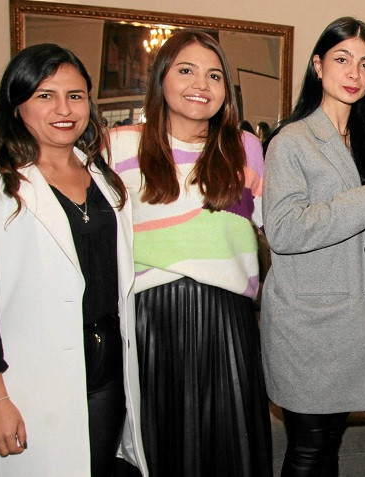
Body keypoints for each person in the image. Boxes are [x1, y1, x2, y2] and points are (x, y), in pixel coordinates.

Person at [0, 43, 147, 476]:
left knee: (98, 465)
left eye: (75, 96)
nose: (64, 109)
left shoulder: (106, 180)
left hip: (107, 366)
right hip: (30, 376)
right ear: (16, 105)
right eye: (45, 95)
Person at [108, 31, 272, 475]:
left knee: (231, 449)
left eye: (214, 75)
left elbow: (275, 227)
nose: (201, 84)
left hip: (229, 318)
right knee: (164, 446)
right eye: (186, 70)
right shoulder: (118, 145)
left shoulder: (245, 147)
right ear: (161, 77)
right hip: (151, 318)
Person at [260, 17, 365, 475]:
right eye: (342, 60)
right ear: (318, 66)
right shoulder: (292, 141)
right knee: (308, 450)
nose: (354, 74)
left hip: (355, 321)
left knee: (329, 448)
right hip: (309, 327)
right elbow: (284, 230)